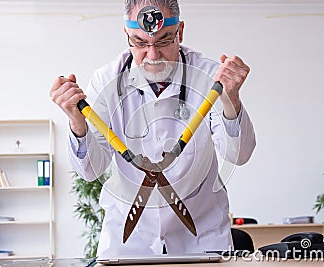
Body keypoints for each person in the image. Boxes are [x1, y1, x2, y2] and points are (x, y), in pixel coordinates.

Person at [50, 0, 256, 258]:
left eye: (163, 40)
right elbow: (91, 170)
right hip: (127, 242)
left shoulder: (210, 76)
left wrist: (231, 99)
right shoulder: (106, 80)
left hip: (202, 237)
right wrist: (76, 122)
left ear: (180, 32)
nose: (152, 55)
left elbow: (239, 155)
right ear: (127, 35)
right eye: (140, 43)